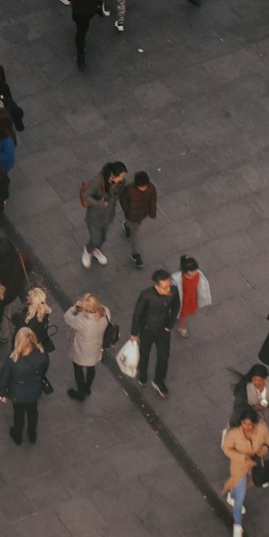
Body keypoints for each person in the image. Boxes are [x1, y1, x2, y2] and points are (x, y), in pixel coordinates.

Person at [221, 407, 269, 537]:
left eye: (250, 425)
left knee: (253, 482)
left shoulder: (262, 429)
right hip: (240, 467)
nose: (248, 427)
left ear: (255, 423)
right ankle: (237, 526)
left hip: (255, 463)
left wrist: (260, 453)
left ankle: (232, 494)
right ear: (241, 423)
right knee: (240, 498)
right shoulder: (234, 434)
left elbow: (268, 440)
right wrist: (242, 457)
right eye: (245, 424)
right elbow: (226, 448)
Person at [131, 268, 180, 399]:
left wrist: (170, 325)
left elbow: (176, 307)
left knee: (164, 357)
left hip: (163, 330)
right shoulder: (146, 295)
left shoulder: (174, 291)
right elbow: (137, 315)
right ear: (156, 286)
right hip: (146, 330)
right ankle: (142, 374)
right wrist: (134, 334)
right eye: (165, 288)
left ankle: (159, 381)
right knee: (144, 353)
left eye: (169, 285)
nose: (168, 290)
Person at [0, 327, 49, 444]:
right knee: (33, 412)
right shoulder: (41, 353)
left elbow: (3, 379)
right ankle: (32, 434)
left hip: (18, 394)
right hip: (34, 391)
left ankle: (18, 435)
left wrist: (2, 395)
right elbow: (45, 368)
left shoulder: (13, 359)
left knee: (19, 414)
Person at [64, 293, 111, 402]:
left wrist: (74, 307)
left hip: (81, 350)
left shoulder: (83, 321)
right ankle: (87, 387)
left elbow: (67, 317)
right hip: (95, 348)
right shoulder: (106, 313)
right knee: (91, 368)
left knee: (78, 368)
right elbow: (101, 308)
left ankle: (80, 393)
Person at [80, 161, 127, 267]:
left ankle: (96, 250)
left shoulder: (120, 183)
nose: (122, 179)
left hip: (108, 215)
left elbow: (121, 193)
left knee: (103, 238)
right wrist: (99, 204)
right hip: (95, 217)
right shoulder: (98, 181)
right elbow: (85, 195)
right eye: (121, 176)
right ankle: (87, 251)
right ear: (113, 175)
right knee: (96, 239)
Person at [69, 0, 109, 69]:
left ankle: (80, 51)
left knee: (80, 31)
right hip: (90, 11)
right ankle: (81, 47)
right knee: (84, 28)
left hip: (78, 11)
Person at [118, 171, 157, 271]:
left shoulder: (151, 188)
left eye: (145, 186)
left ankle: (127, 226)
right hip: (132, 216)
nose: (144, 189)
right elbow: (122, 199)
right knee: (134, 236)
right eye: (141, 187)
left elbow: (153, 200)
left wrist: (152, 212)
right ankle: (135, 254)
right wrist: (127, 212)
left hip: (142, 214)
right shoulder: (130, 190)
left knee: (134, 226)